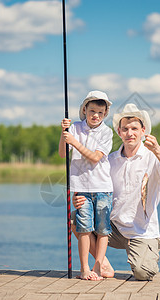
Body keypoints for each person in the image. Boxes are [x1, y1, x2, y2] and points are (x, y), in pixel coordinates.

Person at [71, 103, 160, 281]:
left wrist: (158, 150)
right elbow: (93, 183)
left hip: (142, 232)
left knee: (142, 273)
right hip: (113, 228)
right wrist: (79, 197)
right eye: (125, 129)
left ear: (143, 130)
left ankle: (144, 252)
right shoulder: (111, 160)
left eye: (135, 128)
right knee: (75, 218)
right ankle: (102, 263)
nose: (130, 133)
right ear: (119, 132)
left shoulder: (153, 156)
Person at [59, 90, 113, 280]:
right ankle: (84, 269)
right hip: (81, 187)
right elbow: (62, 154)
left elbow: (95, 157)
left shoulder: (107, 132)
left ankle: (98, 268)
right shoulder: (75, 128)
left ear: (105, 113)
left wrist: (74, 141)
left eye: (99, 112)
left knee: (102, 229)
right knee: (83, 228)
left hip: (102, 187)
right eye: (91, 111)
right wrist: (64, 133)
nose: (95, 115)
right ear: (85, 109)